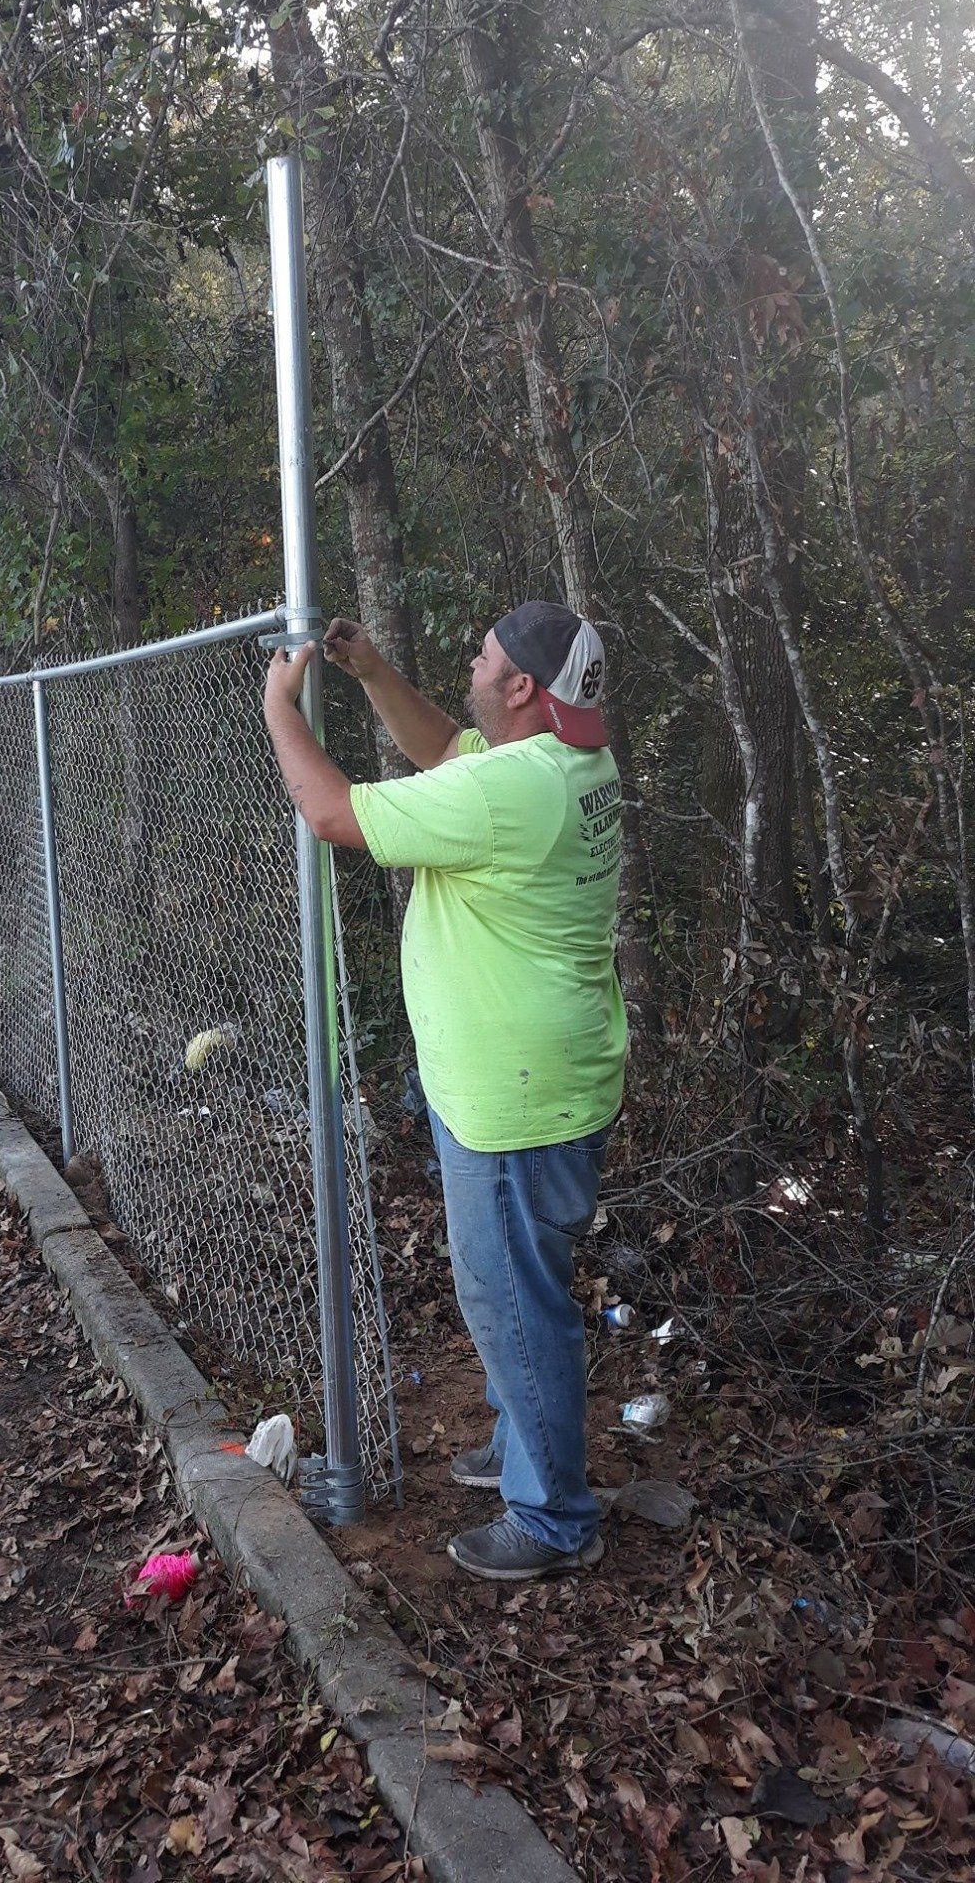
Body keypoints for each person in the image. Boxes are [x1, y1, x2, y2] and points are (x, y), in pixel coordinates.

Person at [261, 602, 626, 1581]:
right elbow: (453, 751)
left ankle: (554, 1517)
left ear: (519, 688)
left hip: (515, 1105)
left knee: (512, 1301)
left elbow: (331, 812)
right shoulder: (565, 762)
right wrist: (374, 671)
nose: (470, 658)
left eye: (484, 654)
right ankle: (521, 1441)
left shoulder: (516, 790)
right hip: (538, 1084)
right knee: (521, 1286)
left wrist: (278, 706)